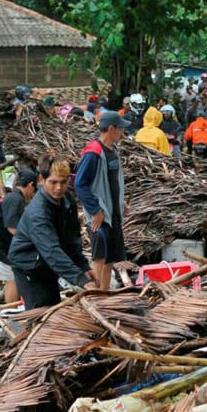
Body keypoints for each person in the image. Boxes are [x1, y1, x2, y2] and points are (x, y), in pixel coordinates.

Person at [9, 155, 97, 309]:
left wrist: (84, 267)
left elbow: (72, 239)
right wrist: (81, 280)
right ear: (42, 180)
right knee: (40, 311)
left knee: (53, 307)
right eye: (53, 182)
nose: (58, 188)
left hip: (47, 264)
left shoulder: (67, 200)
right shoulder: (38, 213)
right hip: (29, 265)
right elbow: (51, 251)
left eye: (63, 182)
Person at [75, 112, 134, 291]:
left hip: (113, 214)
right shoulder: (93, 153)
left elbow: (114, 183)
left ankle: (105, 294)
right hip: (100, 217)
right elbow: (80, 184)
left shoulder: (112, 152)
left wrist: (121, 204)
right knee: (99, 259)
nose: (122, 133)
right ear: (111, 129)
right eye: (120, 129)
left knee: (110, 259)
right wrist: (95, 211)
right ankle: (95, 297)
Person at [0, 169, 37, 306]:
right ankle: (12, 313)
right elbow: (11, 227)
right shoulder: (16, 199)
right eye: (34, 189)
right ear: (30, 185)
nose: (33, 194)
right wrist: (30, 241)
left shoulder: (12, 197)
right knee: (13, 275)